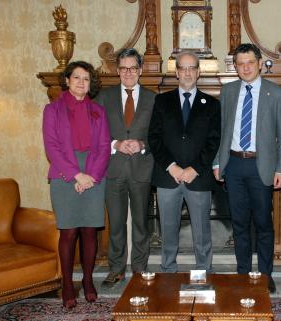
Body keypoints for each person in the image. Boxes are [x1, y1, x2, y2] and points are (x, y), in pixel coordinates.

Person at [213, 43, 281, 292]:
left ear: (259, 64)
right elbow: (220, 130)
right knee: (239, 224)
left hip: (261, 166)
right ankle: (243, 274)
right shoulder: (229, 91)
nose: (245, 68)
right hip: (233, 165)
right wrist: (217, 162)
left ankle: (265, 275)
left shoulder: (274, 93)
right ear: (235, 66)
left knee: (264, 224)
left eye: (249, 63)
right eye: (240, 64)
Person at [42, 61, 110, 308]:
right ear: (67, 80)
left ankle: (89, 281)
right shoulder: (52, 110)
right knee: (69, 232)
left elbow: (104, 147)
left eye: (87, 79)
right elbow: (52, 148)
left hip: (94, 173)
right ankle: (68, 284)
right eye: (77, 78)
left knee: (90, 230)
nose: (82, 83)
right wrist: (76, 175)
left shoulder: (98, 111)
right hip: (63, 174)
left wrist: (90, 175)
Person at [148, 51, 220, 272]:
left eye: (192, 68)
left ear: (198, 72)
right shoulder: (161, 100)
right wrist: (173, 167)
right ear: (176, 72)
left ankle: (203, 274)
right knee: (168, 232)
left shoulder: (212, 104)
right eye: (183, 68)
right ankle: (168, 272)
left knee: (202, 233)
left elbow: (214, 141)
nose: (187, 72)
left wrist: (194, 169)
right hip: (167, 177)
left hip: (198, 178)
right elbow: (154, 137)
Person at [95, 48, 156, 288]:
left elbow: (158, 135)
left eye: (133, 68)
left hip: (142, 169)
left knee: (141, 223)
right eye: (123, 68)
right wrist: (115, 144)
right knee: (117, 223)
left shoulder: (153, 98)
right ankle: (117, 269)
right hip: (113, 169)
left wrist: (142, 144)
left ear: (140, 70)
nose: (128, 72)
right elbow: (96, 134)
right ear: (117, 71)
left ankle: (140, 269)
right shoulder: (104, 97)